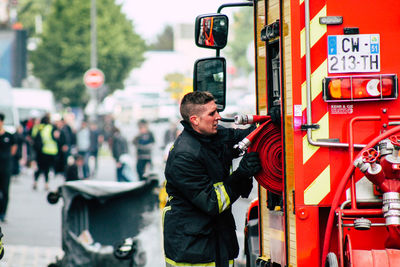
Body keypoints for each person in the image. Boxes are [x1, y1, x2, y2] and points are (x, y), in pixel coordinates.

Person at [163, 91, 261, 267]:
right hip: (193, 252)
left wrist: (267, 125)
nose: (219, 117)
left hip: (216, 242)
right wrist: (241, 174)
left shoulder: (212, 136)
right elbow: (212, 202)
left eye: (216, 111)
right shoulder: (184, 156)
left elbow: (241, 138)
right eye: (212, 113)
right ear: (195, 120)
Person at [32, 114, 59, 191]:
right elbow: (56, 137)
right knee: (47, 168)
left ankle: (35, 182)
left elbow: (32, 136)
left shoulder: (37, 127)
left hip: (40, 151)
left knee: (40, 167)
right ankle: (46, 184)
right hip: (50, 151)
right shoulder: (51, 127)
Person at [0, 113, 16, 222]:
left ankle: (3, 213)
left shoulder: (9, 136)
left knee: (5, 191)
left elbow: (13, 149)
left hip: (5, 168)